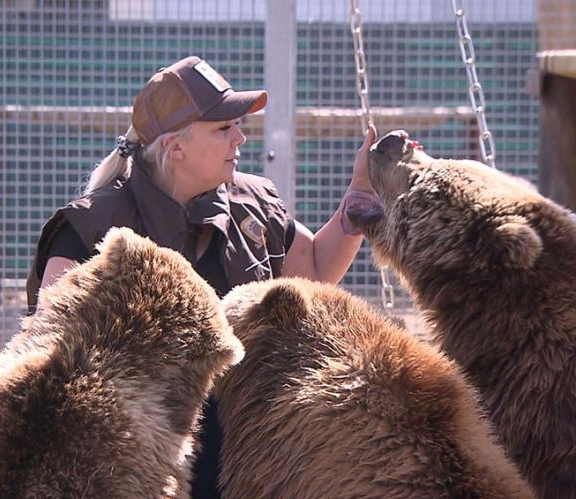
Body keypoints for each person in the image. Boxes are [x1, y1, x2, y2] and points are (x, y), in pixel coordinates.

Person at [26, 55, 379, 498]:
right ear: (176, 147)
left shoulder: (253, 202)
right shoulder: (91, 227)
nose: (240, 138)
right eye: (223, 129)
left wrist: (356, 207)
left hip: (243, 448)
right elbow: (47, 352)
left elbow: (316, 271)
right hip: (133, 460)